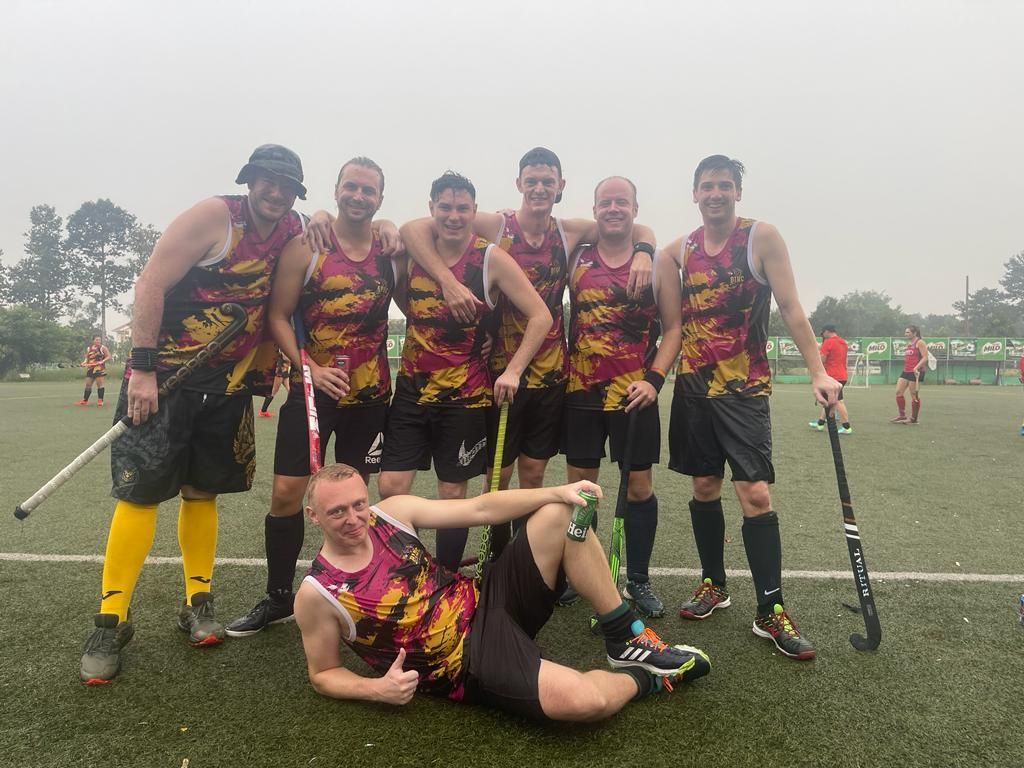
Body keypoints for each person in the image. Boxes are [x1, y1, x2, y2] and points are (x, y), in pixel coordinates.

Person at [79, 144, 311, 684]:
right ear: (249, 180)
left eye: (287, 186)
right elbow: (150, 282)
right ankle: (111, 619)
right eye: (267, 181)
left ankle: (197, 603)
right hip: (165, 383)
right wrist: (140, 368)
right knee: (140, 493)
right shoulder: (214, 216)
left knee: (202, 491)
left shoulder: (294, 227)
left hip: (226, 386)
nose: (275, 193)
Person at [294, 463, 711, 722]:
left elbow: (480, 509)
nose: (354, 518)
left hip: (487, 597)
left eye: (358, 505)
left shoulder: (392, 514)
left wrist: (557, 491)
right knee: (584, 702)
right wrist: (375, 689)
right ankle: (648, 679)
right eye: (338, 511)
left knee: (560, 514)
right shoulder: (319, 593)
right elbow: (323, 674)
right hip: (469, 662)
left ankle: (623, 635)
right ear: (313, 516)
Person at [399, 148, 655, 559]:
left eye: (547, 181)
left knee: (533, 475)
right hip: (498, 375)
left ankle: (523, 560)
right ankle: (493, 559)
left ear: (560, 186)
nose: (539, 188)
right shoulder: (497, 225)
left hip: (552, 376)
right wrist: (447, 281)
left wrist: (646, 250)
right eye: (531, 180)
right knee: (496, 477)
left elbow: (630, 224)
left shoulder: (569, 231)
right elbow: (414, 229)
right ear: (519, 183)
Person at [664, 155, 840, 661]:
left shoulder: (761, 238)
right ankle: (714, 584)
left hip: (745, 391)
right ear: (694, 194)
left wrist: (817, 371)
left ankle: (771, 609)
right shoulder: (680, 250)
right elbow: (651, 265)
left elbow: (790, 308)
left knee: (755, 493)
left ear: (737, 192)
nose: (715, 194)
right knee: (703, 487)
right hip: (694, 389)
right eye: (706, 187)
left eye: (724, 186)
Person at [227, 156, 402, 637]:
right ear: (337, 189)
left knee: (354, 500)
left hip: (369, 396)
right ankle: (279, 596)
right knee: (286, 492)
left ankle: (361, 589)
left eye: (369, 191)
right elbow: (278, 316)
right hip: (311, 394)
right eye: (352, 187)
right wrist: (310, 370)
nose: (359, 197)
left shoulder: (389, 247)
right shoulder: (309, 246)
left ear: (380, 199)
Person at [378, 171, 551, 571]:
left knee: (453, 491)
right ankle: (406, 572)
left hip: (465, 398)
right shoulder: (415, 253)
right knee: (391, 487)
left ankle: (446, 576)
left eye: (462, 208)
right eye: (445, 207)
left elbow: (540, 316)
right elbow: (410, 303)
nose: (453, 216)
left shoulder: (490, 257)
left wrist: (513, 370)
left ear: (475, 212)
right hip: (411, 391)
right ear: (431, 210)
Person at [561, 176, 681, 618]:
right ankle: (582, 573)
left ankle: (639, 579)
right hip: (580, 392)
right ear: (594, 209)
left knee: (639, 487)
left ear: (635, 207)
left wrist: (654, 380)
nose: (614, 208)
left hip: (635, 396)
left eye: (622, 202)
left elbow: (674, 330)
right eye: (605, 202)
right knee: (583, 490)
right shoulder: (576, 254)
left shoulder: (661, 262)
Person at [808, 325, 852, 433]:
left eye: (823, 333)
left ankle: (847, 427)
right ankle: (820, 423)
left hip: (833, 376)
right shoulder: (843, 343)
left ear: (827, 332)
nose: (823, 335)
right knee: (829, 400)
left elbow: (822, 359)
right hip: (842, 375)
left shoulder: (829, 342)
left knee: (838, 401)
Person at [892, 325, 928, 424]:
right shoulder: (909, 344)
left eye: (908, 332)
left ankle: (914, 418)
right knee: (898, 392)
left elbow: (925, 357)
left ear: (914, 333)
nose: (905, 334)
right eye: (906, 332)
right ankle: (902, 415)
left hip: (916, 372)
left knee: (914, 395)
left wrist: (916, 367)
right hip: (906, 371)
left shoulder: (920, 342)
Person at [76, 334, 112, 406]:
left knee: (99, 384)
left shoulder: (102, 348)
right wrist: (84, 362)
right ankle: (85, 400)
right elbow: (87, 357)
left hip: (99, 368)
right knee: (88, 384)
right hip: (90, 368)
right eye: (97, 340)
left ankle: (100, 400)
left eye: (99, 339)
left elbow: (109, 356)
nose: (98, 341)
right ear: (93, 341)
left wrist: (102, 361)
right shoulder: (89, 348)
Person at [257, 352, 291, 417]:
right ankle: (263, 411)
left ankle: (293, 409)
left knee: (290, 390)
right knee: (273, 391)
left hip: (285, 369)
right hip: (280, 369)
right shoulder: (283, 346)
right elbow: (285, 357)